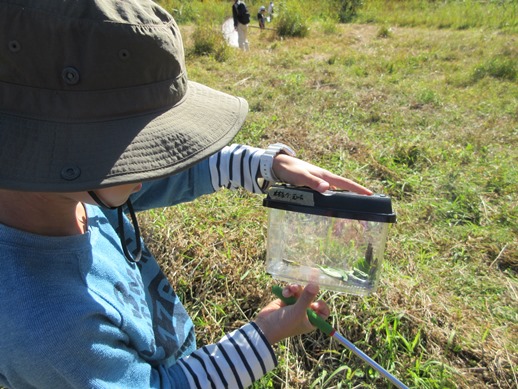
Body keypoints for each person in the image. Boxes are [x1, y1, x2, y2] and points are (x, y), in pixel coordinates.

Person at [0, 0, 373, 388]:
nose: (155, 168)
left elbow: (161, 176)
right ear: (63, 153)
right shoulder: (45, 329)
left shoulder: (66, 191)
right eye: (141, 149)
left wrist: (267, 166)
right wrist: (263, 336)